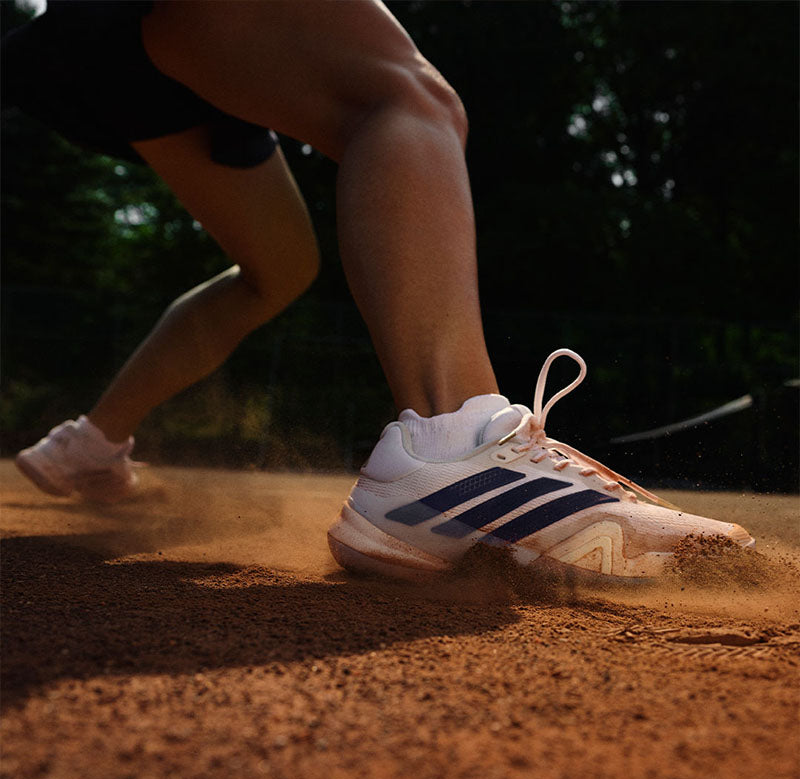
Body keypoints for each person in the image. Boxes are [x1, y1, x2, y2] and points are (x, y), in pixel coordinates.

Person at [6, 0, 753, 581]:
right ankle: (454, 448)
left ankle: (88, 444)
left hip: (121, 52)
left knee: (277, 272)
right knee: (405, 99)